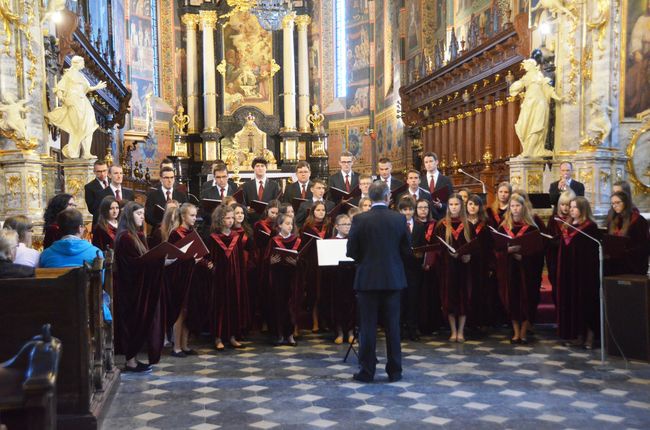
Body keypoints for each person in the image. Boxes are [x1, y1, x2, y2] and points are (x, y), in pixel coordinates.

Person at [346, 181, 411, 383]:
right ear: (388, 196)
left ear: (370, 197)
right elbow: (406, 250)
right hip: (392, 279)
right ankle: (395, 371)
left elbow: (351, 252)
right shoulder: (399, 219)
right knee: (393, 327)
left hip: (367, 280)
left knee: (367, 327)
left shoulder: (359, 220)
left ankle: (367, 371)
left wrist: (365, 261)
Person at [113, 202, 164, 372]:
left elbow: (143, 258)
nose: (142, 217)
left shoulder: (137, 234)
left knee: (136, 322)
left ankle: (132, 359)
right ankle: (130, 361)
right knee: (132, 322)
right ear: (129, 215)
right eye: (139, 214)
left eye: (143, 213)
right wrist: (159, 260)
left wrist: (160, 260)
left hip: (138, 286)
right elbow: (133, 264)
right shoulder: (126, 237)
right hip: (130, 287)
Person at [495, 194, 542, 344]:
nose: (515, 209)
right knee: (512, 299)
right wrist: (507, 252)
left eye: (518, 206)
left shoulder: (531, 228)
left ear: (523, 207)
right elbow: (497, 249)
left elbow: (538, 251)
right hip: (509, 268)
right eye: (512, 206)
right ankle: (515, 331)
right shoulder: (503, 227)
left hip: (525, 270)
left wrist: (524, 256)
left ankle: (523, 331)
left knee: (525, 298)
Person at [556, 197, 600, 349]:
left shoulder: (590, 227)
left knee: (585, 303)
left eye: (575, 207)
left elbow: (592, 251)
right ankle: (577, 335)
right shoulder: (567, 226)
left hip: (584, 272)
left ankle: (590, 335)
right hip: (569, 271)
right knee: (573, 303)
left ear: (583, 209)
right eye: (571, 207)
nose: (572, 209)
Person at [46, 55, 106, 158]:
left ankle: (86, 152)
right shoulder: (69, 75)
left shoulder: (81, 76)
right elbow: (60, 88)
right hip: (74, 101)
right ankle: (72, 150)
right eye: (82, 62)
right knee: (78, 127)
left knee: (89, 126)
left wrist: (96, 87)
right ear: (77, 63)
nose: (83, 64)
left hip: (84, 102)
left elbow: (86, 88)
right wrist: (63, 99)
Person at [207, 205, 248, 350]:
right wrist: (209, 265)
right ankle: (218, 337)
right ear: (220, 219)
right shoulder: (213, 238)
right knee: (220, 306)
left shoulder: (236, 237)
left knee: (233, 304)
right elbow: (207, 257)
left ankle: (232, 336)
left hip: (234, 276)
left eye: (232, 218)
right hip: (219, 277)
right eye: (227, 218)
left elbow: (240, 260)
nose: (231, 221)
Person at [433, 194, 474, 342]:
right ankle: (453, 330)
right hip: (447, 267)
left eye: (456, 204)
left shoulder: (468, 225)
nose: (454, 207)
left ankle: (461, 331)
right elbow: (436, 248)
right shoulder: (441, 225)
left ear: (461, 206)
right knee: (449, 298)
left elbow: (474, 246)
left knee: (463, 297)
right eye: (451, 204)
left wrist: (468, 256)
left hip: (464, 267)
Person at [268, 213, 301, 346]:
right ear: (280, 225)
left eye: (291, 224)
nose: (290, 226)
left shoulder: (297, 240)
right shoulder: (273, 240)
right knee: (279, 305)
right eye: (287, 223)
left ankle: (290, 334)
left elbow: (303, 260)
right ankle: (280, 334)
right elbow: (266, 259)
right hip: (278, 277)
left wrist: (297, 262)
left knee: (291, 306)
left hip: (292, 278)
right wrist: (271, 261)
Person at [300, 201, 332, 333]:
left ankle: (325, 320)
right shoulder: (307, 228)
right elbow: (303, 248)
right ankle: (314, 321)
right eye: (318, 210)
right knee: (314, 293)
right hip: (312, 264)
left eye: (323, 210)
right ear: (313, 211)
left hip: (327, 264)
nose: (321, 212)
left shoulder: (329, 227)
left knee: (326, 293)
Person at [398, 197, 426, 341]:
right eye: (405, 210)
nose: (408, 212)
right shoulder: (397, 226)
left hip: (415, 267)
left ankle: (413, 329)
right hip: (400, 267)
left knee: (413, 299)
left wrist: (420, 254)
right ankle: (401, 329)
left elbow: (423, 244)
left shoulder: (420, 226)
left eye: (410, 209)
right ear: (400, 211)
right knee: (401, 299)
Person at [466, 193, 495, 329]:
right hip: (466, 262)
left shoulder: (485, 223)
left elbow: (490, 246)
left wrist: (490, 265)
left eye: (475, 205)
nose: (472, 207)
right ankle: (468, 323)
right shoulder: (462, 222)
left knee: (481, 291)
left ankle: (481, 322)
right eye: (470, 204)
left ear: (480, 207)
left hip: (481, 262)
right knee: (467, 291)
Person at [604, 191, 650, 276]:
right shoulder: (613, 220)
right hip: (616, 261)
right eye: (613, 203)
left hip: (633, 262)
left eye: (618, 202)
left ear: (626, 202)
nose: (615, 206)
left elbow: (645, 244)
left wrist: (626, 251)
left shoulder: (638, 220)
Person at [545, 189, 576, 304]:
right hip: (556, 260)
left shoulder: (576, 221)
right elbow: (548, 241)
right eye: (562, 204)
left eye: (568, 205)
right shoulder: (553, 220)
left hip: (571, 260)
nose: (565, 208)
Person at [328, 214, 355, 344]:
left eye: (349, 224)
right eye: (344, 224)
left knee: (351, 303)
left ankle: (350, 331)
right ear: (337, 226)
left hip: (351, 276)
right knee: (337, 303)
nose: (347, 227)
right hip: (336, 277)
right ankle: (339, 331)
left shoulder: (353, 240)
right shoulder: (331, 241)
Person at [422, 152, 453, 220]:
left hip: (442, 217)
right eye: (426, 162)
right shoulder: (420, 181)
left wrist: (441, 205)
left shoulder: (446, 180)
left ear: (436, 162)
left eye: (430, 161)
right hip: (425, 217)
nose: (428, 164)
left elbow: (451, 200)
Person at [85, 160, 110, 224]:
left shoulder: (114, 183)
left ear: (107, 170)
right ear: (94, 172)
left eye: (104, 171)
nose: (102, 174)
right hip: (99, 222)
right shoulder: (89, 187)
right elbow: (91, 209)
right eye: (99, 171)